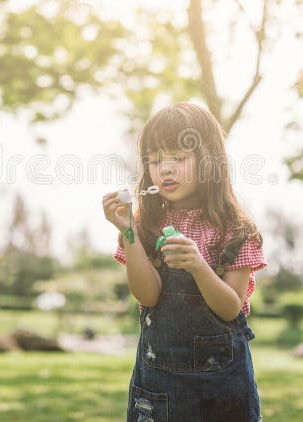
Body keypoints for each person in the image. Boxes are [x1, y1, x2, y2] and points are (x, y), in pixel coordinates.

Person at [102, 102, 266, 421]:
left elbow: (230, 308)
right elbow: (147, 295)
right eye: (155, 159)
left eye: (178, 158)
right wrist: (129, 232)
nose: (165, 169)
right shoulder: (145, 226)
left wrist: (198, 267)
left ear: (208, 161)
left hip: (221, 392)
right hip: (158, 385)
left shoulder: (234, 230)